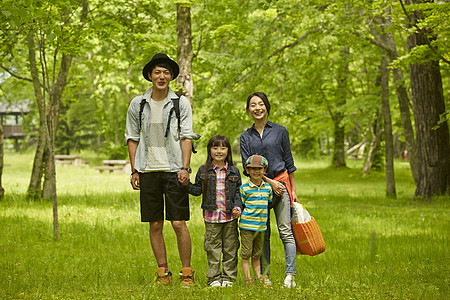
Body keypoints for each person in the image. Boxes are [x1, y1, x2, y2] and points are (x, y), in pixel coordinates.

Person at [124, 53, 200, 287]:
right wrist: (135, 170)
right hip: (148, 170)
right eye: (157, 72)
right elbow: (132, 137)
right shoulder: (138, 104)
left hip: (174, 169)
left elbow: (187, 136)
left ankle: (186, 272)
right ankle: (162, 273)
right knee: (155, 223)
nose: (161, 76)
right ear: (150, 75)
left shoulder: (180, 103)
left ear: (171, 77)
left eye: (166, 72)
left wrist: (185, 168)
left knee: (178, 223)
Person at [239, 92, 298, 288]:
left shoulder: (281, 131)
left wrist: (293, 190)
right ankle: (265, 276)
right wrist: (269, 182)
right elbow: (247, 166)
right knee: (262, 233)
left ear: (267, 107)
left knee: (286, 231)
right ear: (248, 109)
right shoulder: (245, 137)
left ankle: (290, 275)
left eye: (261, 104)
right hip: (258, 190)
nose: (257, 108)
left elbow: (289, 163)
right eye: (253, 105)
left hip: (282, 186)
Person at [184, 135, 242, 287]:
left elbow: (238, 193)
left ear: (228, 150)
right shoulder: (204, 170)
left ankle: (229, 278)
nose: (219, 151)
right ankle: (214, 278)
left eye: (222, 148)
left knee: (231, 248)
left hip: (230, 217)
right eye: (215, 148)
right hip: (211, 217)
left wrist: (237, 207)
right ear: (209, 150)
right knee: (213, 248)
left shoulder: (234, 171)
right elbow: (197, 190)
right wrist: (186, 184)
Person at [238, 154, 273, 285]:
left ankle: (259, 277)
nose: (256, 171)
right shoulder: (244, 188)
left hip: (261, 227)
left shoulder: (268, 188)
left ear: (264, 170)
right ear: (247, 171)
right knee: (246, 254)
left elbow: (268, 203)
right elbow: (241, 205)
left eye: (259, 168)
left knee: (257, 254)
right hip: (247, 227)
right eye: (252, 168)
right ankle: (248, 280)